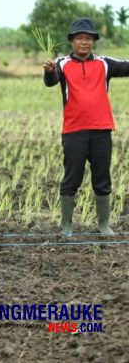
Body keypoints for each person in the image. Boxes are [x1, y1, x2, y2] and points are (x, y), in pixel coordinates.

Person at [44, 17, 129, 236]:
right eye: (79, 38)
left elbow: (127, 66)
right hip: (74, 131)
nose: (84, 42)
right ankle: (66, 226)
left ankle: (103, 225)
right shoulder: (62, 63)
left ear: (93, 41)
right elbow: (51, 81)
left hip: (102, 129)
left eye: (88, 38)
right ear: (72, 41)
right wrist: (49, 70)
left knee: (102, 178)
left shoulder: (104, 63)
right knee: (72, 178)